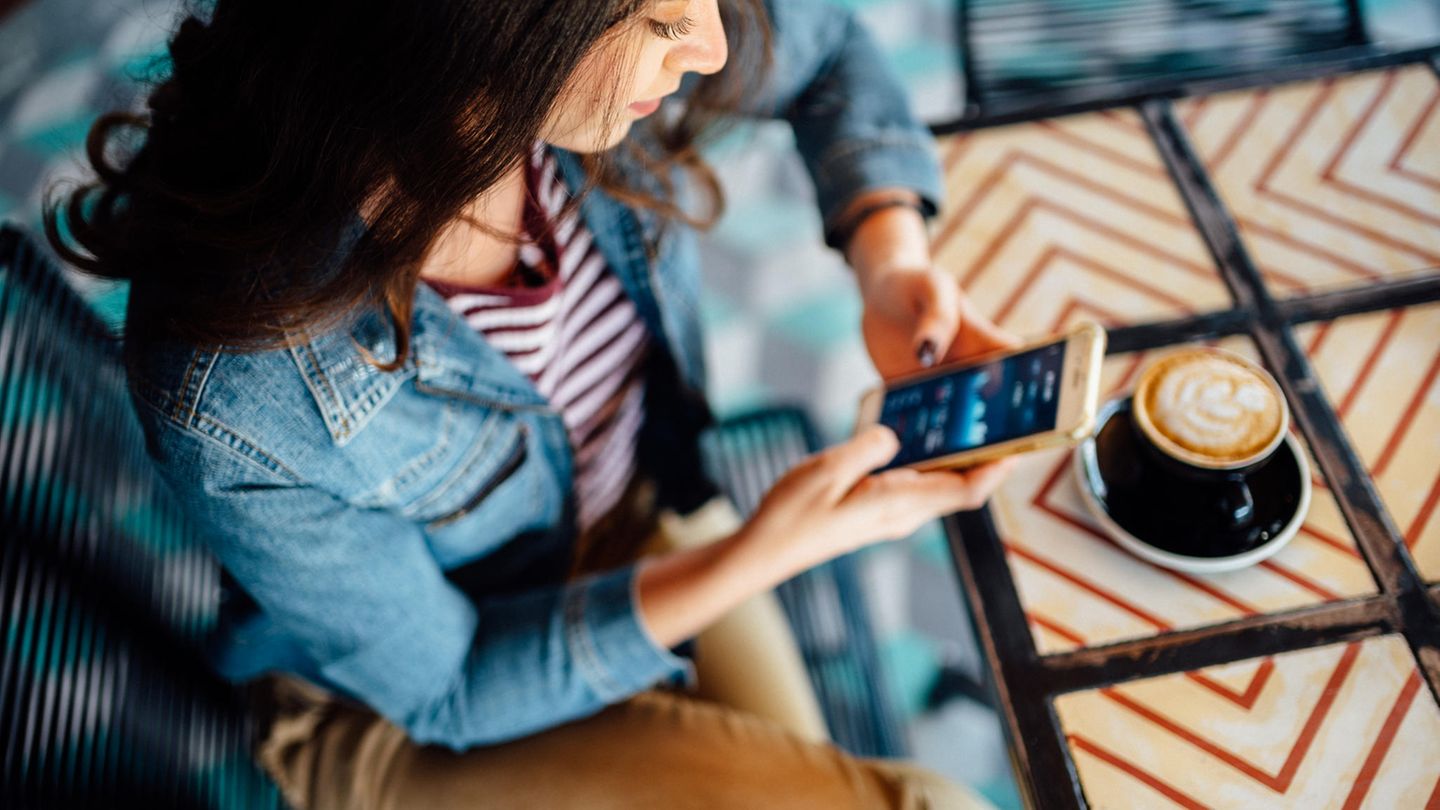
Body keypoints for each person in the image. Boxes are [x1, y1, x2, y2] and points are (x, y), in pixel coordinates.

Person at [46, 0, 1017, 806]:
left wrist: (889, 259)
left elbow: (825, 44)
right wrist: (759, 553)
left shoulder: (567, 88)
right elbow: (450, 687)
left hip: (629, 527)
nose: (712, 44)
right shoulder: (239, 384)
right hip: (399, 715)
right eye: (660, 18)